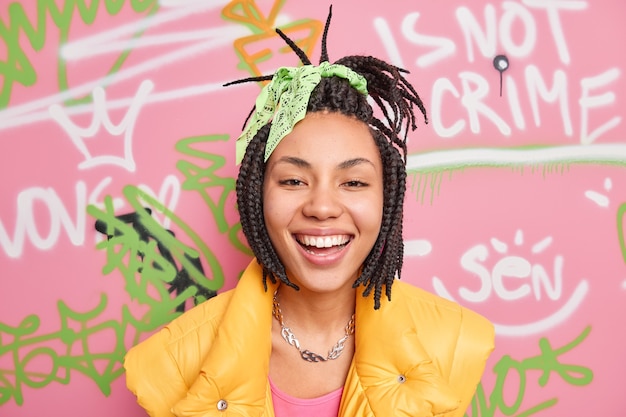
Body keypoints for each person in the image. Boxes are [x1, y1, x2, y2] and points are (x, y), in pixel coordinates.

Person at [124, 7, 494, 417]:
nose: (321, 207)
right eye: (293, 181)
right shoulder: (174, 361)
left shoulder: (455, 341)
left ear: (387, 199)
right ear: (256, 195)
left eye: (353, 182)